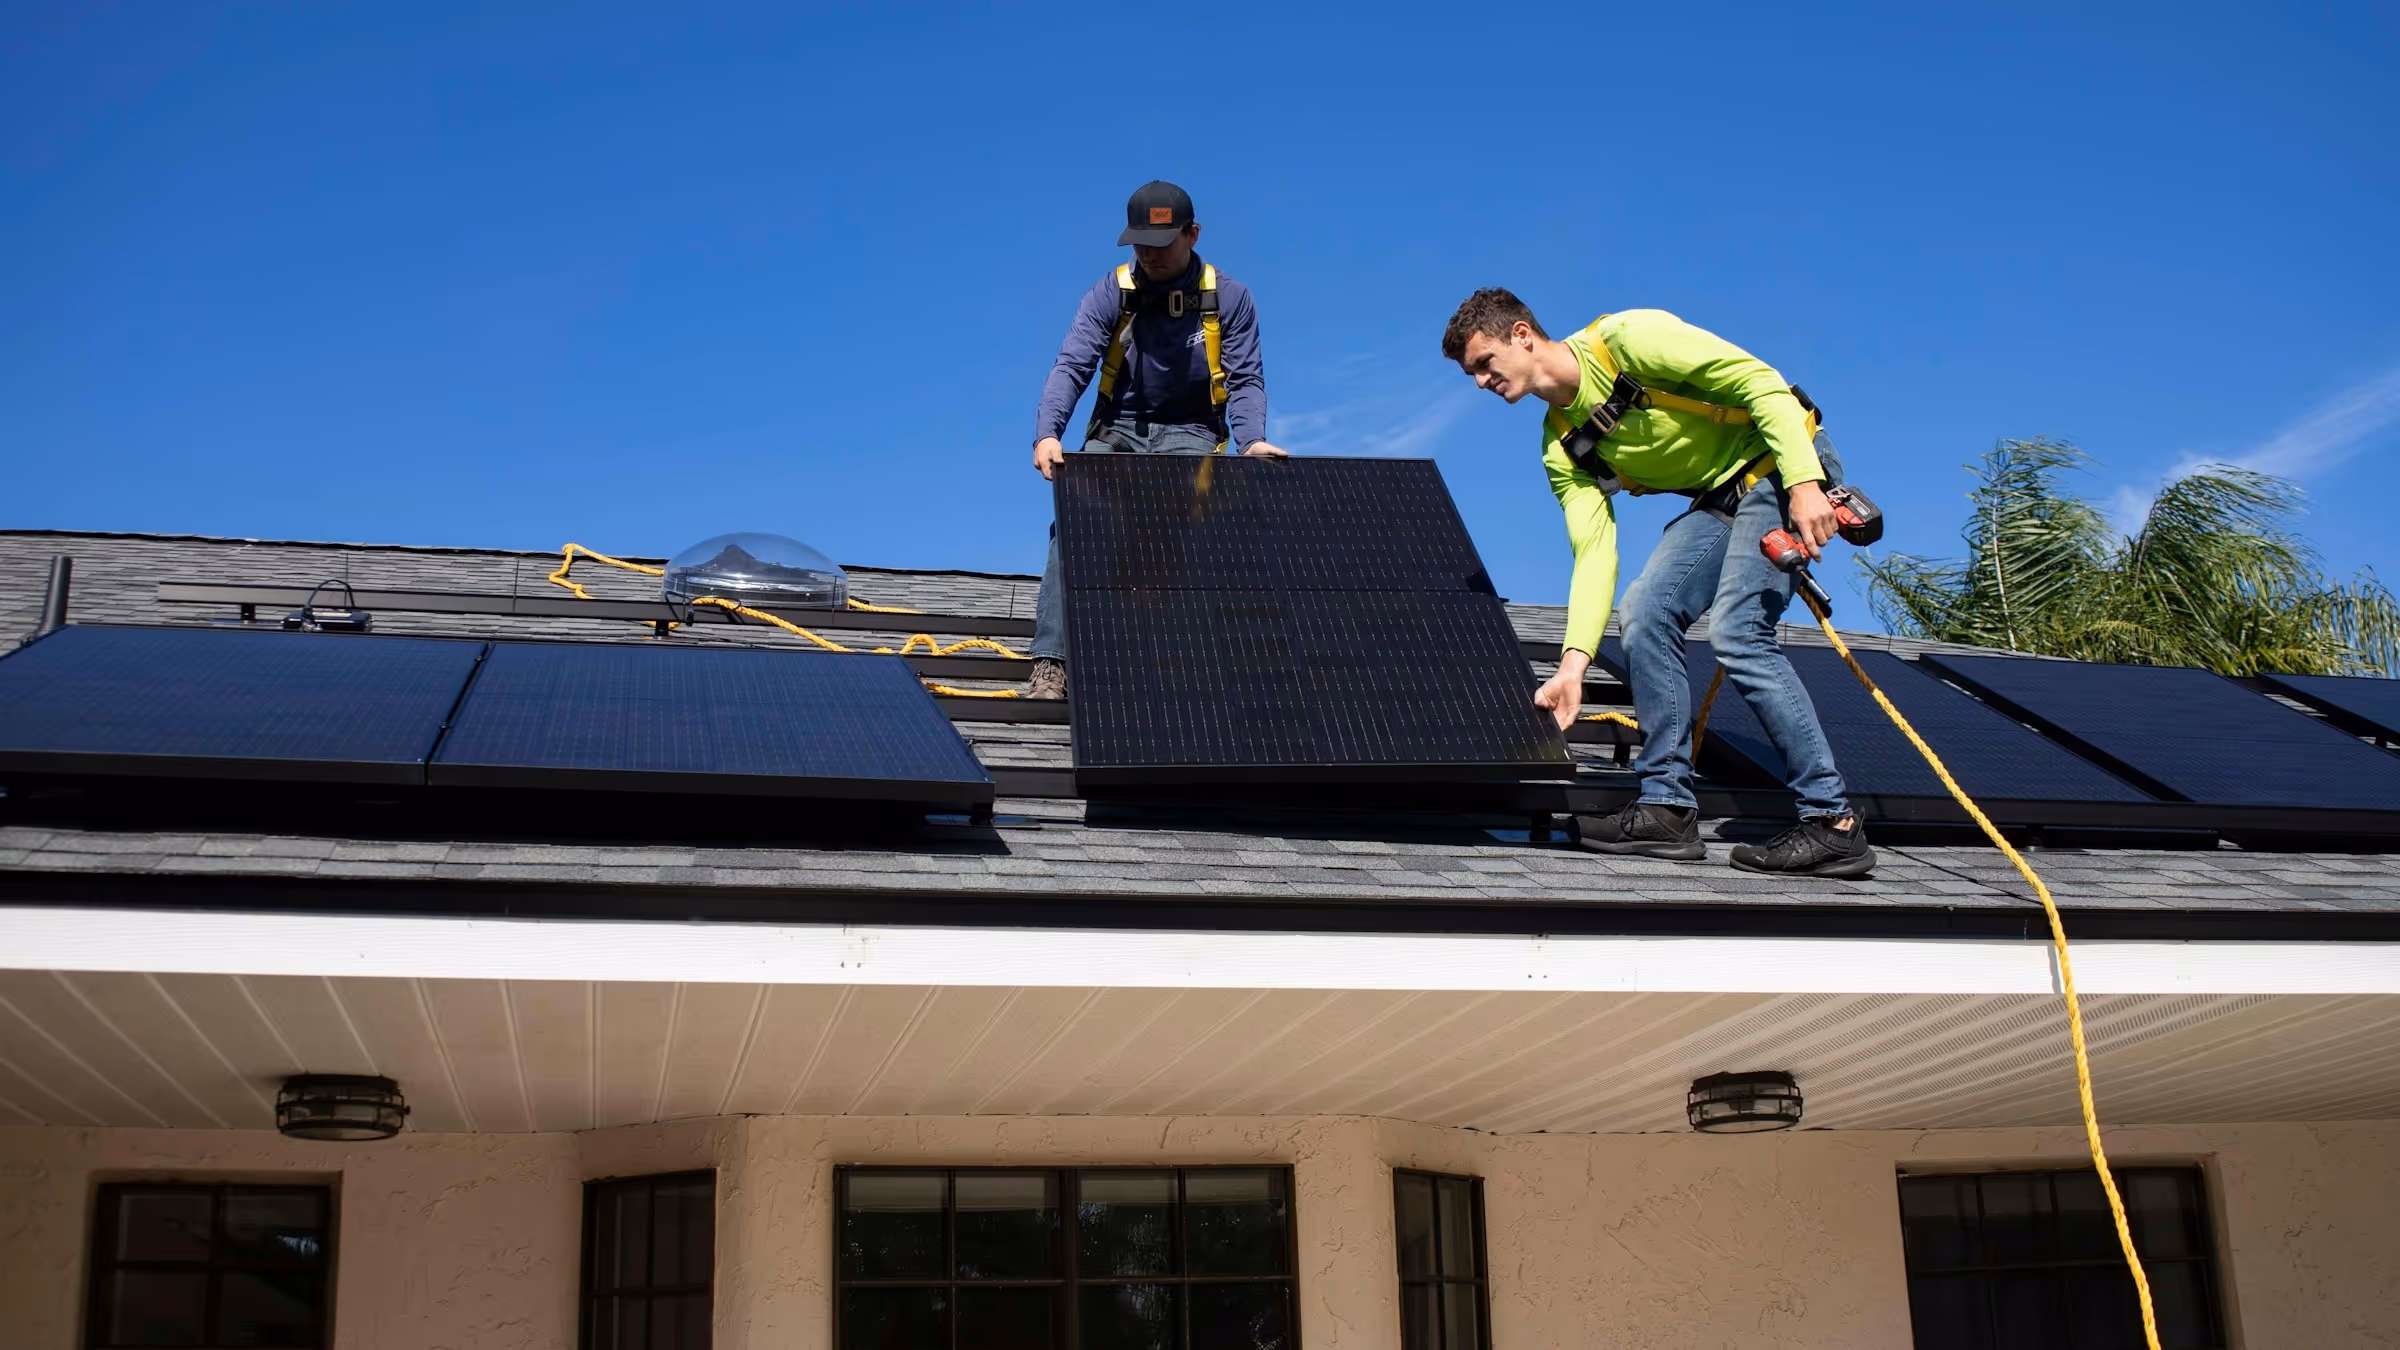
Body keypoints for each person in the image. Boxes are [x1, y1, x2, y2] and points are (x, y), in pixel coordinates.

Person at [1441, 289, 1875, 877]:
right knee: (1644, 611)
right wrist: (1573, 666)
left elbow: (1764, 385)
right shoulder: (1563, 446)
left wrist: (1803, 484)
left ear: (1522, 334)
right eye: (1472, 374)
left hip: (1779, 462)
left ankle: (1832, 821)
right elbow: (1594, 553)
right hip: (1720, 500)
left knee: (1738, 632)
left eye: (1484, 364)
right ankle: (1667, 807)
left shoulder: (1627, 341)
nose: (1480, 382)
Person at [1025, 181, 1286, 698]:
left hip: (1191, 432)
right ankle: (1051, 663)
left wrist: (1252, 441)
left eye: (1161, 243)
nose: (1148, 254)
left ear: (1192, 234)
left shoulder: (1228, 297)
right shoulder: (1111, 292)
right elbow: (1072, 364)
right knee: (1074, 522)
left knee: (1182, 518)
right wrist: (1048, 433)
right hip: (1119, 427)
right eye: (1139, 243)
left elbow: (1246, 379)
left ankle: (1180, 660)